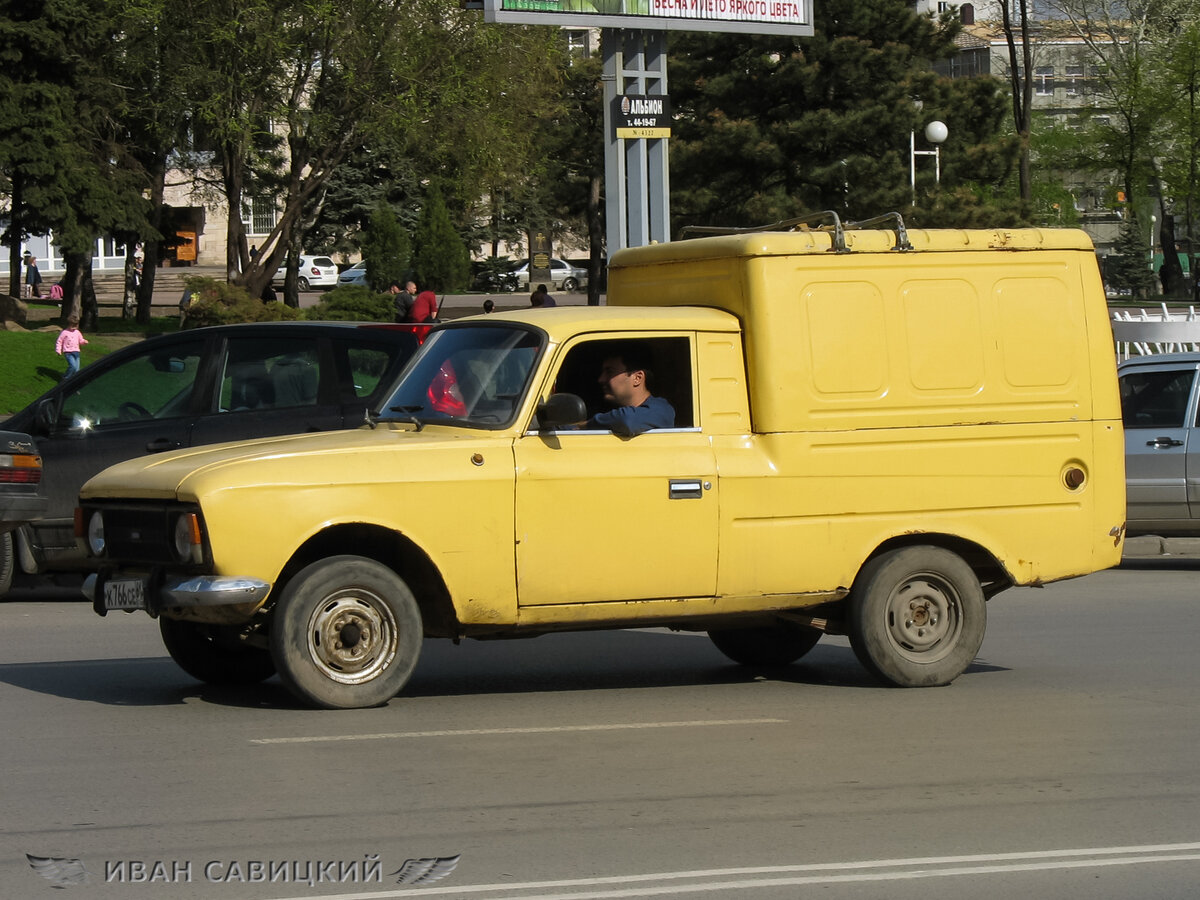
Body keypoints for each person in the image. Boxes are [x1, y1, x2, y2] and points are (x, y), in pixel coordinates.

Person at [586, 344, 674, 436]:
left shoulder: (662, 410)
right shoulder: (605, 411)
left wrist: (586, 425)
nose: (601, 379)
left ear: (637, 378)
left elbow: (627, 420)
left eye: (609, 372)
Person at [55, 315, 88, 380]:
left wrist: (84, 342)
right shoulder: (64, 332)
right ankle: (66, 377)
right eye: (72, 326)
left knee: (77, 369)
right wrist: (58, 350)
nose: (74, 328)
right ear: (69, 324)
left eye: (75, 326)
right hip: (68, 352)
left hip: (76, 352)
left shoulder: (77, 332)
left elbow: (80, 340)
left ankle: (74, 380)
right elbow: (59, 341)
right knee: (72, 366)